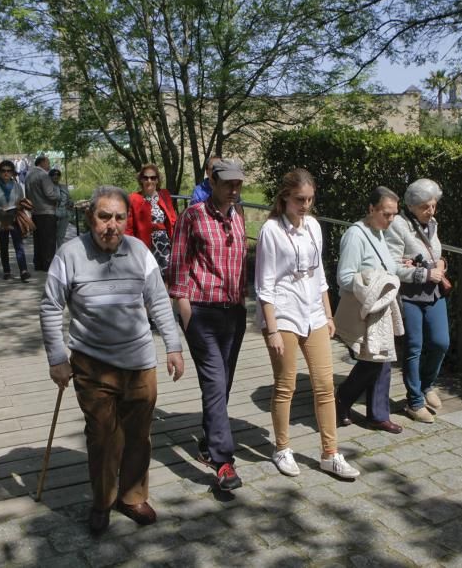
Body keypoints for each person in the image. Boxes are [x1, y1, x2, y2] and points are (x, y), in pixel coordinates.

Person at [41, 186, 185, 536]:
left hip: (139, 362)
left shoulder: (140, 252)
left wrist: (173, 345)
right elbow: (50, 306)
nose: (112, 225)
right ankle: (103, 500)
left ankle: (132, 496)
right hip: (92, 364)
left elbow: (159, 302)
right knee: (102, 437)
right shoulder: (69, 254)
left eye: (119, 217)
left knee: (139, 434)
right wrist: (58, 358)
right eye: (104, 216)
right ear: (91, 218)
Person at [255, 168, 360, 480]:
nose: (305, 205)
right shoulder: (271, 230)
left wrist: (328, 315)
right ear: (285, 196)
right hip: (283, 313)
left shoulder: (314, 225)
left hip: (313, 312)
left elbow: (320, 276)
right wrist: (271, 328)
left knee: (325, 385)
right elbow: (264, 284)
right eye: (300, 199)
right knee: (286, 384)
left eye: (310, 199)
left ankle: (330, 453)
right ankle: (282, 447)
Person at [168, 158, 247, 491]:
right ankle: (223, 461)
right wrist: (188, 317)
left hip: (234, 314)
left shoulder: (239, 217)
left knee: (222, 383)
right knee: (214, 382)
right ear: (211, 182)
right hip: (202, 313)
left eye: (238, 184)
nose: (233, 189)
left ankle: (207, 442)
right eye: (227, 183)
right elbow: (176, 272)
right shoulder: (192, 216)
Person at [333, 186, 413, 434]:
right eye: (386, 214)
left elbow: (383, 266)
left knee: (381, 361)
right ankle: (343, 401)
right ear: (371, 209)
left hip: (378, 313)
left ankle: (375, 414)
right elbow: (344, 277)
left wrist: (399, 266)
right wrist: (374, 281)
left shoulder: (379, 232)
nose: (391, 219)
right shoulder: (356, 236)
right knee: (374, 362)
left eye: (394, 215)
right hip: (363, 313)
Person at [384, 179, 450, 424]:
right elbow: (392, 264)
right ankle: (414, 401)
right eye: (425, 206)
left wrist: (441, 264)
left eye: (433, 205)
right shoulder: (399, 226)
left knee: (441, 342)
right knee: (414, 347)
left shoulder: (432, 223)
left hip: (433, 292)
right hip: (409, 293)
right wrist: (422, 273)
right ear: (411, 206)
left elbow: (436, 252)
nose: (431, 211)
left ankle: (426, 385)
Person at [125, 163, 177, 276]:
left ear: (157, 180)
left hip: (164, 244)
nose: (149, 180)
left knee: (166, 276)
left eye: (153, 177)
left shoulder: (164, 195)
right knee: (148, 276)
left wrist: (176, 241)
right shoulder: (134, 198)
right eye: (146, 177)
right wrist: (129, 247)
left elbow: (173, 219)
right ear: (141, 180)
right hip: (144, 245)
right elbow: (129, 227)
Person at [0, 160, 31, 282]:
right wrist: (0, 209)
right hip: (1, 220)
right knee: (4, 247)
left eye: (9, 171)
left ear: (13, 172)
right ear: (0, 172)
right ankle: (6, 271)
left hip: (15, 218)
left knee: (19, 245)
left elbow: (21, 201)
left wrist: (20, 206)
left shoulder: (17, 186)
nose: (6, 173)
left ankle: (23, 270)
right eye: (3, 171)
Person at [25, 155, 59, 271]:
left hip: (35, 212)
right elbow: (50, 194)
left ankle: (38, 263)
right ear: (43, 162)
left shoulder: (28, 176)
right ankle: (48, 264)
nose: (49, 165)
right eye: (48, 162)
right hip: (47, 211)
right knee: (49, 241)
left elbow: (27, 195)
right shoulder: (44, 176)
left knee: (38, 239)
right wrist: (58, 197)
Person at [50, 168, 74, 246]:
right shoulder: (48, 187)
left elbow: (69, 198)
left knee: (61, 236)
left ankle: (60, 254)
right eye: (54, 175)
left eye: (58, 175)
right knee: (52, 236)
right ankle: (51, 255)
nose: (56, 176)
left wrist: (70, 203)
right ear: (50, 176)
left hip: (64, 214)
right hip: (53, 215)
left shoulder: (64, 187)